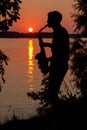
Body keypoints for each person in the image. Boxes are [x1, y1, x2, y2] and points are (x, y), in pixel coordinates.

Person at [37, 11, 69, 111]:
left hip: (59, 65)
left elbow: (62, 51)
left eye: (49, 19)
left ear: (54, 20)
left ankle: (59, 116)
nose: (47, 21)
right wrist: (47, 45)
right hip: (57, 64)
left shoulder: (61, 32)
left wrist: (47, 59)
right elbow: (58, 48)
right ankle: (58, 115)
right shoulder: (58, 31)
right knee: (52, 92)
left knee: (53, 93)